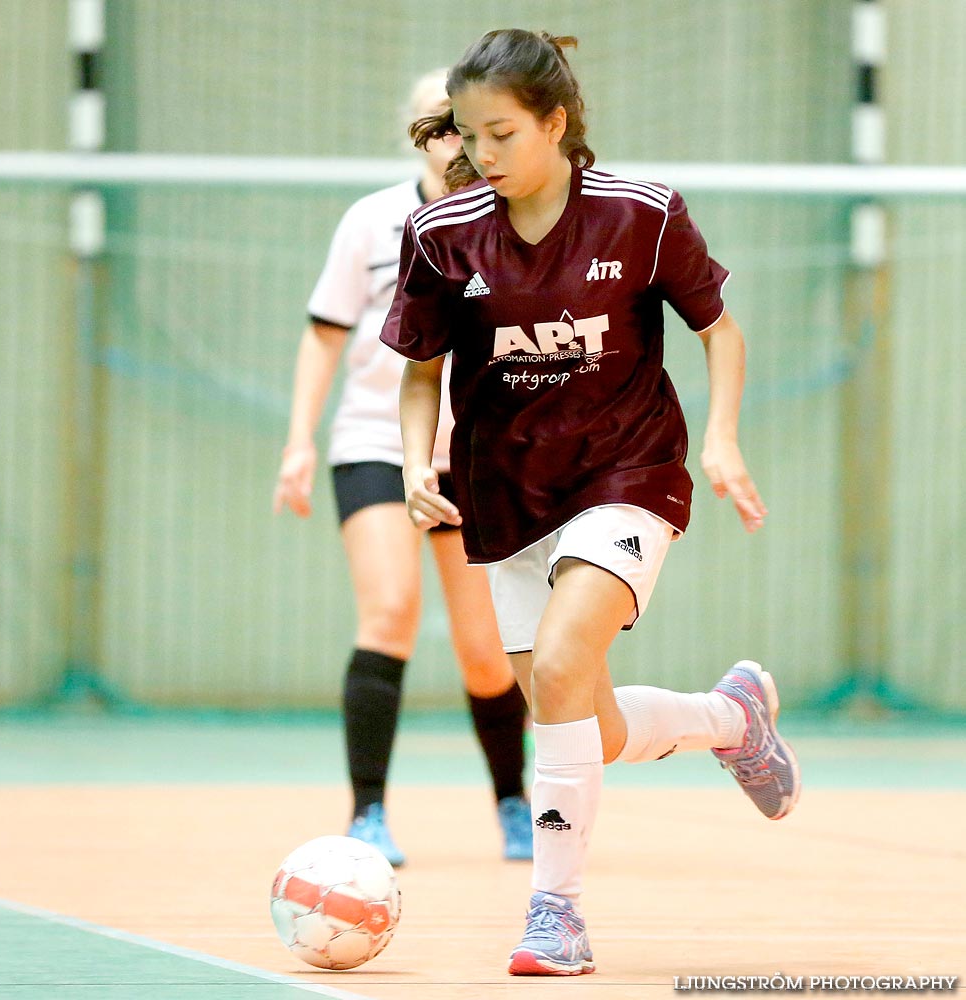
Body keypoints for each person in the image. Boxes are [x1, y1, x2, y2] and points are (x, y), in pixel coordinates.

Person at [381, 30, 801, 975]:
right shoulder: (442, 233)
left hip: (626, 471)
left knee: (568, 657)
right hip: (501, 494)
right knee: (578, 716)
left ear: (555, 123)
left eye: (500, 135)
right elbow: (418, 373)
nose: (481, 157)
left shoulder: (640, 216)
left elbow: (719, 333)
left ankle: (554, 913)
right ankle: (730, 719)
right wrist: (417, 461)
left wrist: (724, 437)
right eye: (469, 137)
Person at [273, 69, 532, 868]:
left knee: (486, 650)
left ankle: (514, 802)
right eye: (437, 123)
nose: (455, 136)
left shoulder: (510, 219)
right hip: (376, 444)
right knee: (387, 610)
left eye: (467, 122)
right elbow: (323, 335)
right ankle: (368, 816)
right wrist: (298, 441)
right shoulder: (371, 222)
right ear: (415, 133)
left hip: (474, 456)